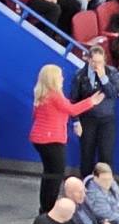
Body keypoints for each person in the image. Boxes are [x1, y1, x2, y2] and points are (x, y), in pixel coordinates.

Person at [29, 64, 100, 204]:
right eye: (60, 75)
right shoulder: (54, 96)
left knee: (49, 174)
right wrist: (91, 101)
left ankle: (46, 206)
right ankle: (49, 207)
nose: (62, 78)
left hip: (40, 140)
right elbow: (71, 110)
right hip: (51, 140)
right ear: (53, 78)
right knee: (56, 175)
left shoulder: (42, 95)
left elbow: (35, 116)